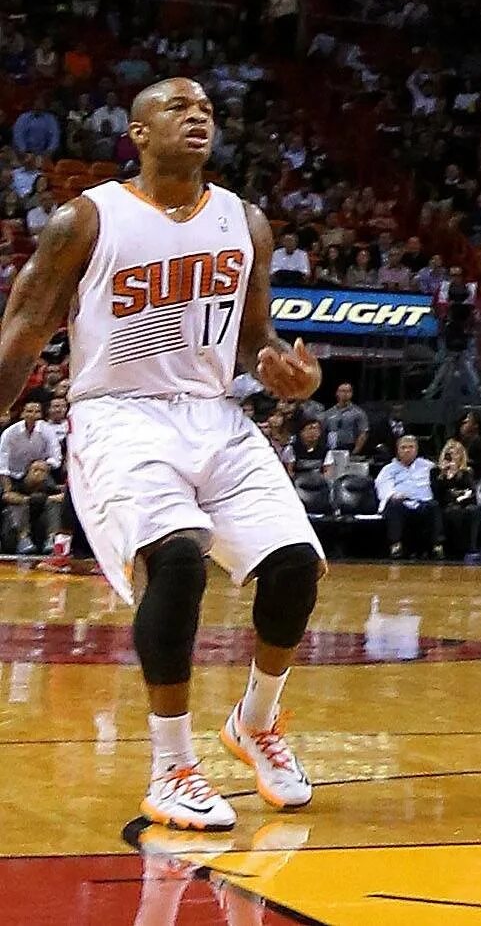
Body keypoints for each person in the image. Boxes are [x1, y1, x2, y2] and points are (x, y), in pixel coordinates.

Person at [0, 77, 326, 831]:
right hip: (119, 414)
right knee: (176, 560)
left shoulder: (245, 221)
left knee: (293, 566)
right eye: (179, 108)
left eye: (207, 109)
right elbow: (22, 333)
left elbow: (254, 334)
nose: (198, 117)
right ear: (138, 132)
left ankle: (255, 721)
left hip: (214, 412)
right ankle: (171, 765)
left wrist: (286, 369)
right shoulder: (86, 219)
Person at [372, 435, 437, 559]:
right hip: (399, 503)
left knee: (434, 506)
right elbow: (383, 487)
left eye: (411, 447)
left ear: (416, 449)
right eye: (403, 447)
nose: (407, 450)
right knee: (394, 505)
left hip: (422, 502)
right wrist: (393, 495)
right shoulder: (388, 469)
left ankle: (436, 546)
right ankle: (396, 545)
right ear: (398, 450)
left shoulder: (428, 466)